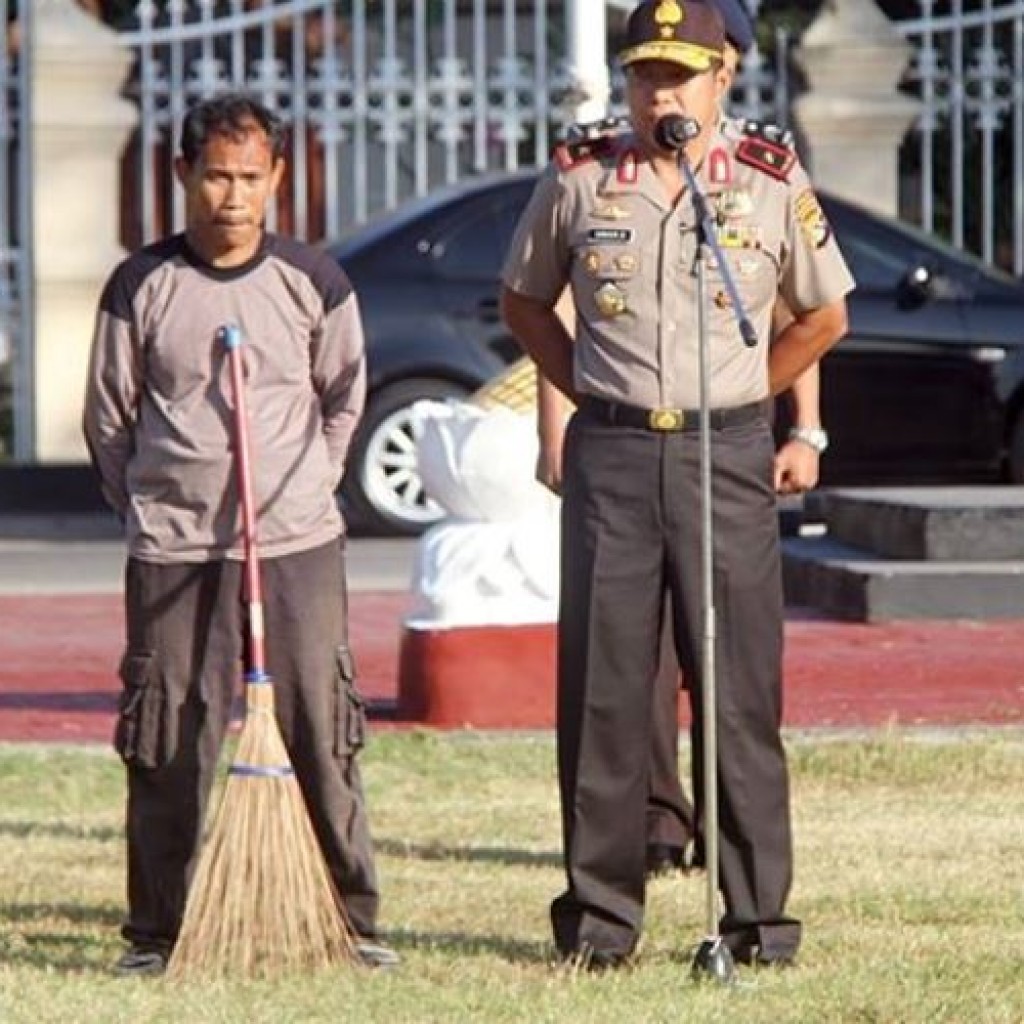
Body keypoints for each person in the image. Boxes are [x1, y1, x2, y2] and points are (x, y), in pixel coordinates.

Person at [500, 0, 853, 970]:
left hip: (725, 453)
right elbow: (524, 300)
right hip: (614, 454)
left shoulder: (767, 182)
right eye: (645, 73)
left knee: (739, 686)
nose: (661, 91)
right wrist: (586, 391)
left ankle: (755, 916)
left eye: (679, 73)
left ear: (720, 79)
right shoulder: (579, 180)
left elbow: (824, 315)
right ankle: (603, 917)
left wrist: (756, 397)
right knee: (606, 689)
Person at [83, 91, 398, 976]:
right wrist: (155, 500)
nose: (232, 196)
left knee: (320, 726)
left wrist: (308, 489)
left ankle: (350, 915)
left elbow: (345, 396)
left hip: (295, 544)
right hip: (175, 551)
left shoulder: (313, 280)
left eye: (250, 178)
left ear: (278, 181)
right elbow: (109, 418)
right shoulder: (142, 284)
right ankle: (159, 930)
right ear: (182, 175)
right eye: (215, 176)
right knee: (166, 738)